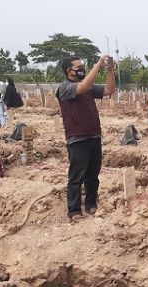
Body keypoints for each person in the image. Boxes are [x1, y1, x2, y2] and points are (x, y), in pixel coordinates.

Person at [56, 55, 115, 221]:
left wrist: (110, 70)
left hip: (94, 135)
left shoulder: (89, 88)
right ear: (69, 70)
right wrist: (97, 65)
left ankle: (90, 203)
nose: (81, 68)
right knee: (76, 176)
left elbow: (109, 90)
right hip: (77, 138)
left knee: (93, 175)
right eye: (79, 66)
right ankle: (74, 210)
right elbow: (82, 86)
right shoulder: (65, 88)